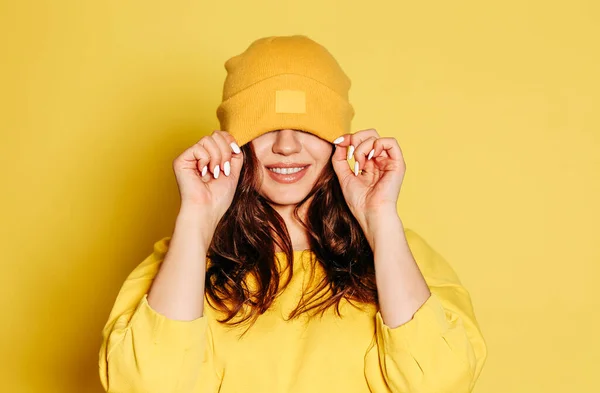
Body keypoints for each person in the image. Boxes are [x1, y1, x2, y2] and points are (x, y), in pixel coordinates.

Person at [98, 35, 487, 393]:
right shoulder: (180, 261)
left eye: (308, 126)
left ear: (340, 139)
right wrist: (197, 218)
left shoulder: (402, 255)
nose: (286, 145)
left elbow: (442, 384)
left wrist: (379, 216)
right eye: (264, 126)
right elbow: (146, 385)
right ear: (236, 141)